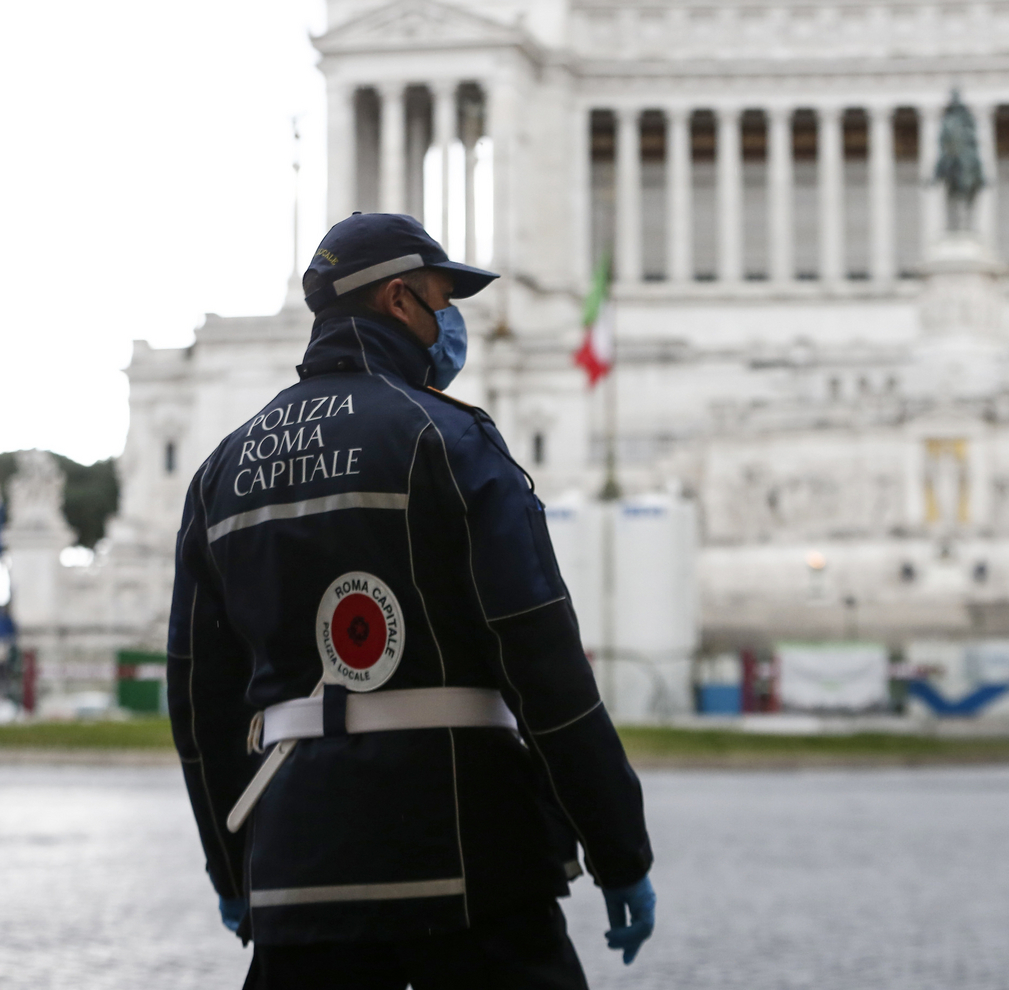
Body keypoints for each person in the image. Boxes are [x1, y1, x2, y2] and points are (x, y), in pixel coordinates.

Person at [167, 213, 656, 989]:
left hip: (298, 871)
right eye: (441, 298)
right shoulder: (449, 438)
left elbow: (200, 704)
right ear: (399, 301)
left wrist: (234, 869)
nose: (450, 321)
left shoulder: (222, 469)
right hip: (470, 862)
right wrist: (619, 849)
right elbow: (543, 664)